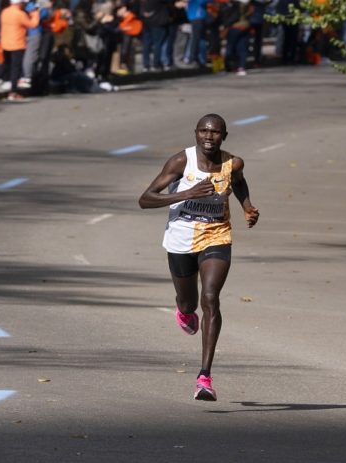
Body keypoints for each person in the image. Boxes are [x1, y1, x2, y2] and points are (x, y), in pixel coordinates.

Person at [138, 114, 259, 401]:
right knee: (189, 301)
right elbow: (145, 199)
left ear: (224, 136)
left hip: (217, 234)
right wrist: (187, 193)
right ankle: (183, 310)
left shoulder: (233, 163)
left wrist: (247, 207)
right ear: (195, 134)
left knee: (210, 298)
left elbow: (238, 182)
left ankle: (204, 377)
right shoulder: (181, 162)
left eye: (215, 132)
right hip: (181, 238)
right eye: (204, 131)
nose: (209, 137)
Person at [0, 0, 40, 100]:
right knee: (15, 68)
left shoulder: (4, 12)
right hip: (17, 43)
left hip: (5, 43)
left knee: (6, 64)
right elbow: (33, 24)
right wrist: (35, 13)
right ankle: (13, 91)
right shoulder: (20, 14)